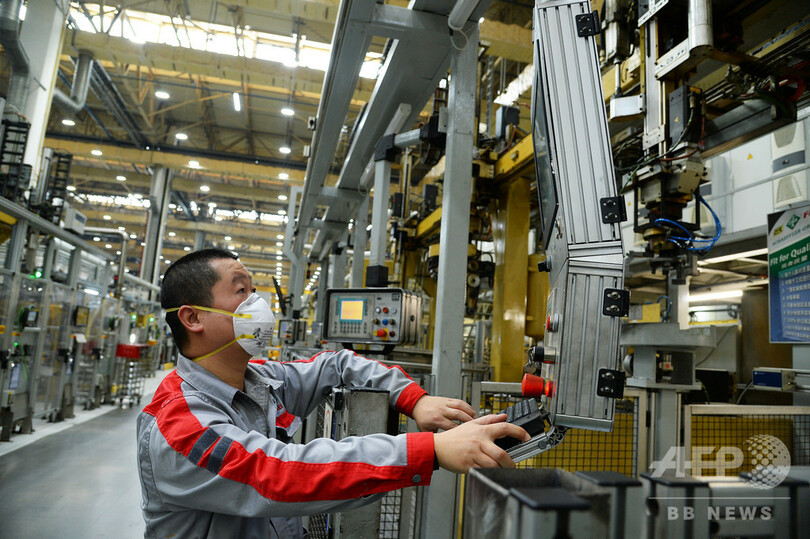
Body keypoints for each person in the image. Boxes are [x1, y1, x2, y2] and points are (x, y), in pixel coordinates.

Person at [137, 248, 528, 538]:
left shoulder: (260, 380)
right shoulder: (177, 425)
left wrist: (414, 399)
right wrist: (430, 450)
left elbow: (336, 364)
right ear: (193, 317)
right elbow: (277, 474)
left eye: (255, 290)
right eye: (241, 291)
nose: (258, 304)